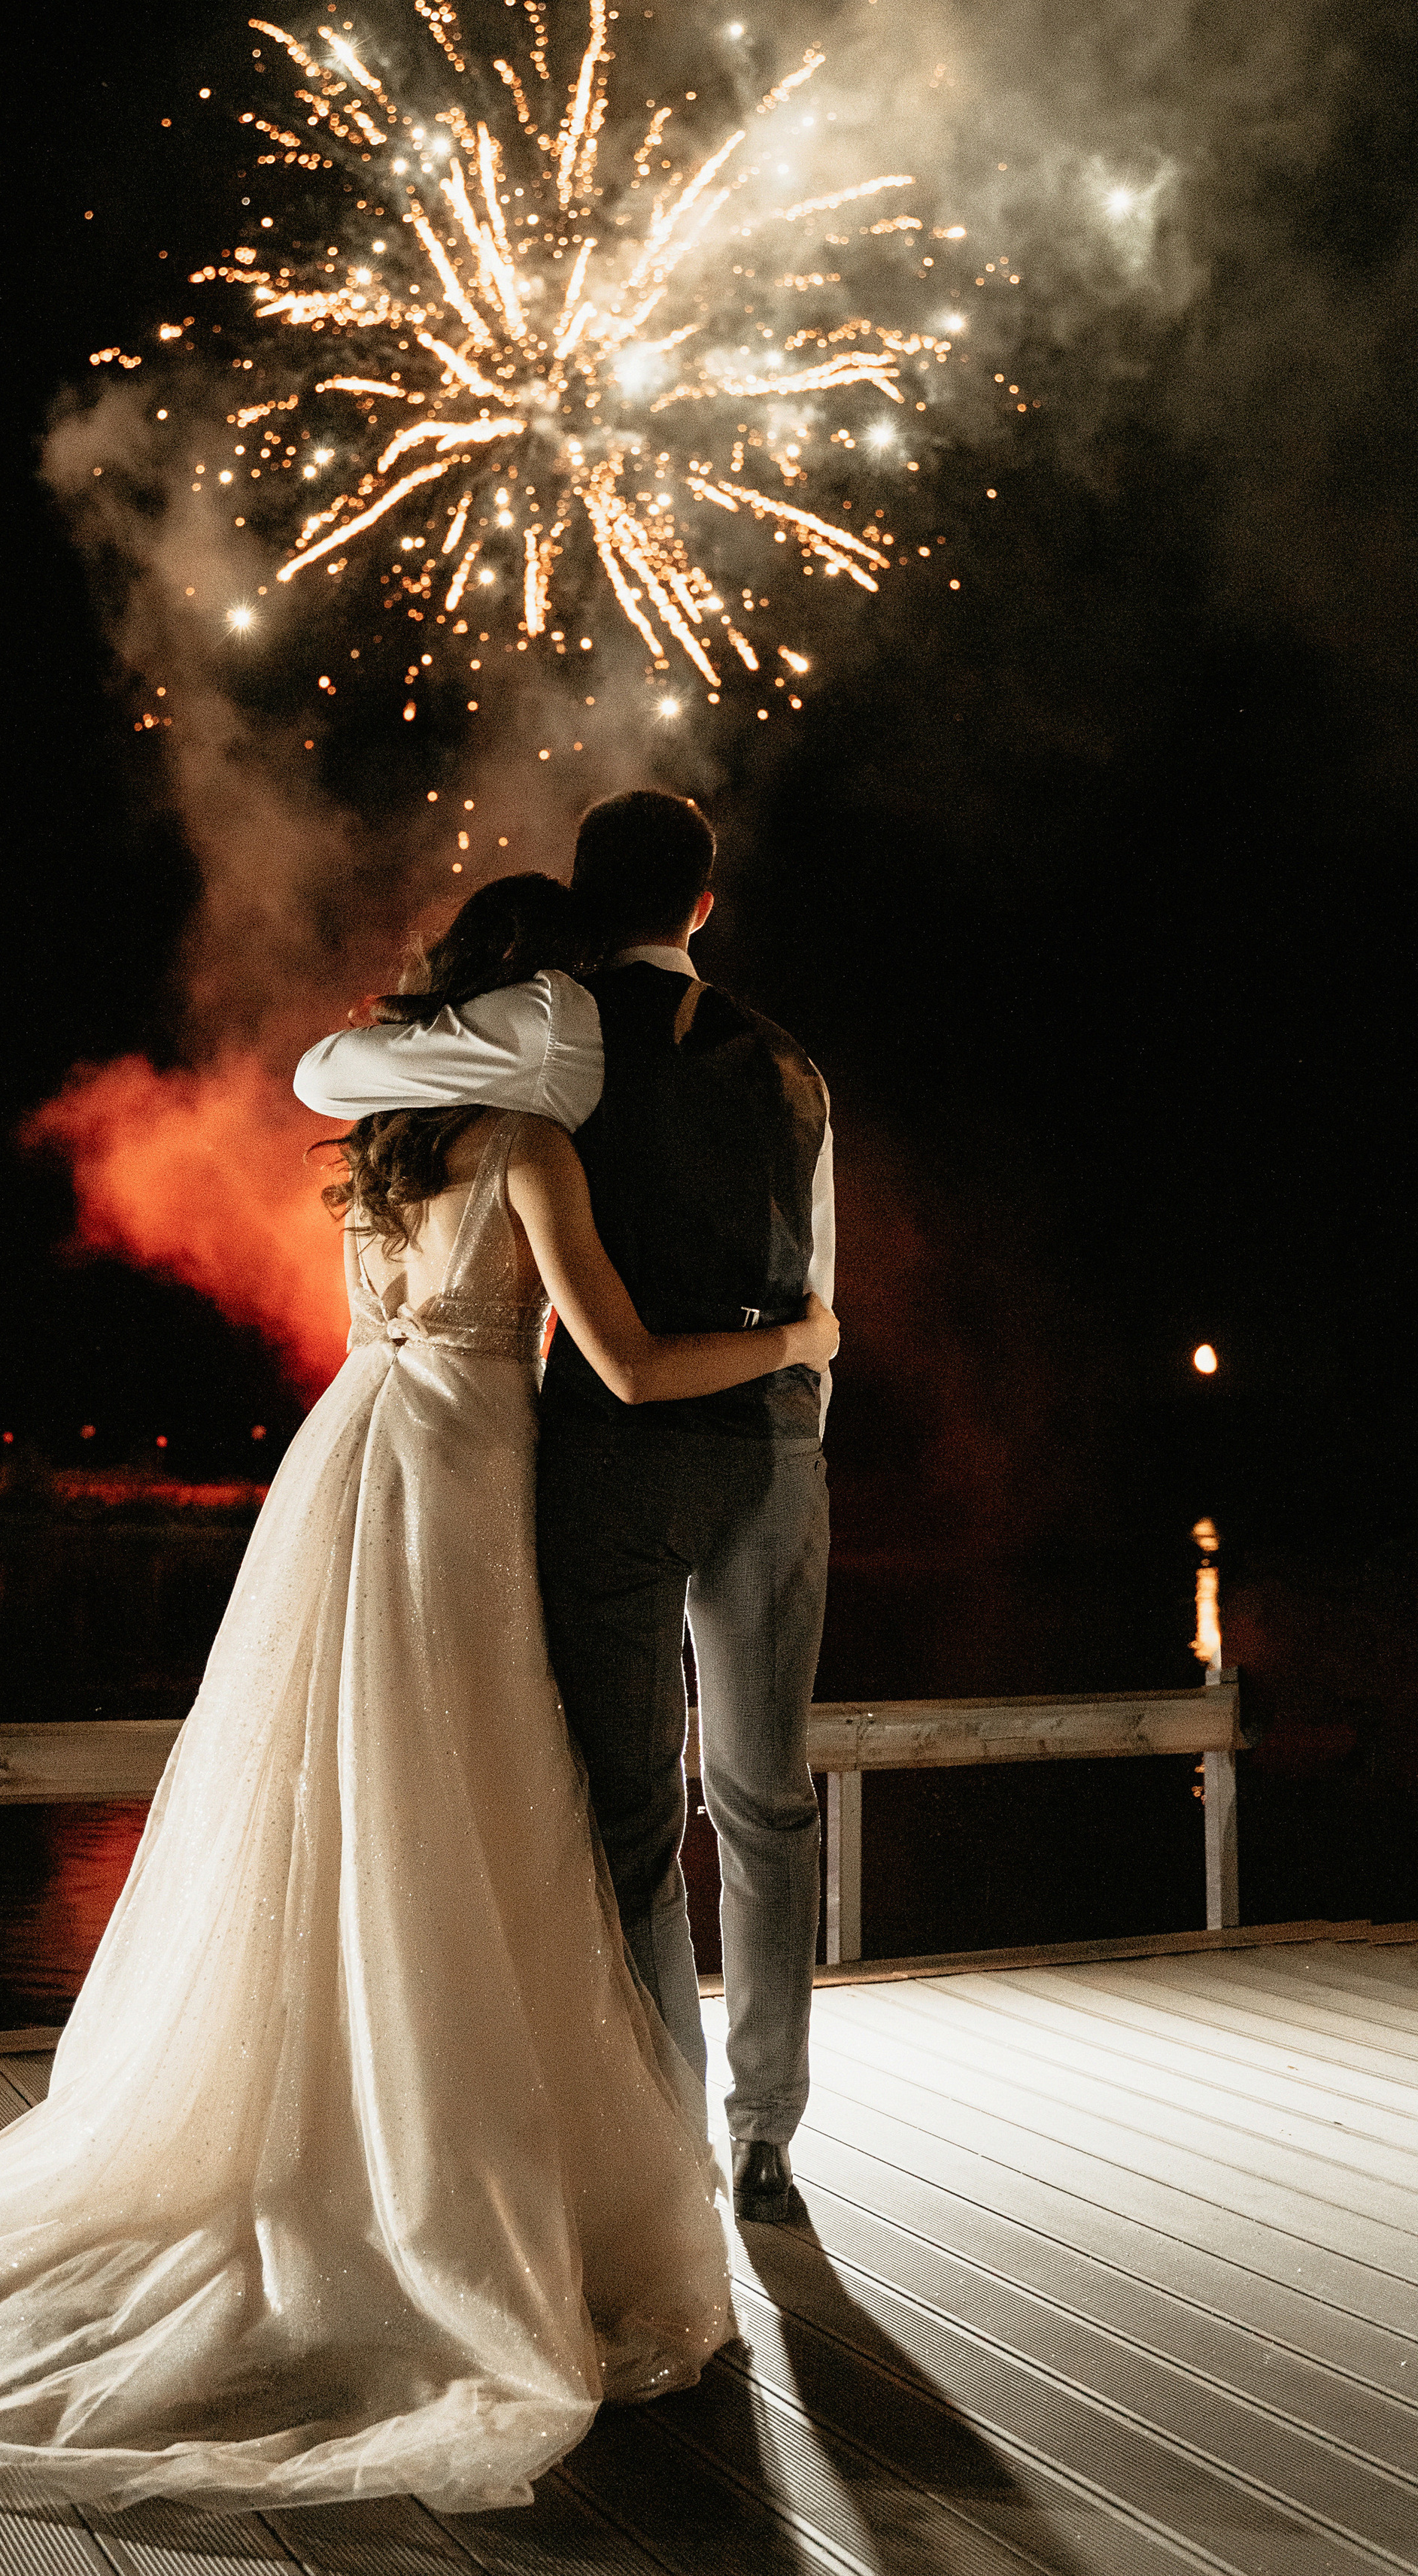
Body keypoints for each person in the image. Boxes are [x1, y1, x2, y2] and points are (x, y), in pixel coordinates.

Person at [0, 872, 834, 2520]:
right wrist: (796, 1337)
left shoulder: (376, 1157)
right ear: (531, 1009)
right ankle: (444, 2150)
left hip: (352, 1468)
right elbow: (617, 1366)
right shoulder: (534, 1151)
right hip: (470, 1482)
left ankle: (319, 2108)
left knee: (337, 1787)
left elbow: (376, 1189)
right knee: (476, 1799)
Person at [296, 791, 834, 2226]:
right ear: (706, 906)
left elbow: (328, 1074)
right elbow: (812, 1272)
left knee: (632, 1811)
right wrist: (796, 1412)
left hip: (620, 1450)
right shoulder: (795, 1068)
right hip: (774, 1451)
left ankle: (664, 2120)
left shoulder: (557, 1033)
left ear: (596, 903)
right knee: (768, 1801)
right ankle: (767, 2128)